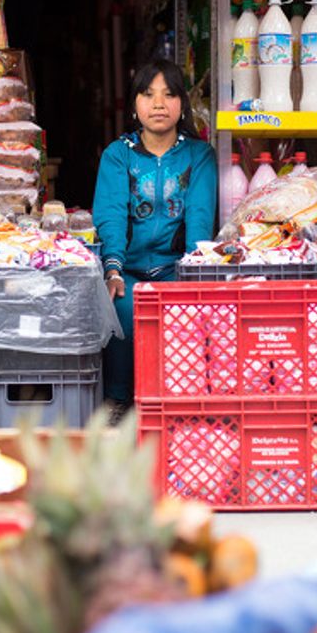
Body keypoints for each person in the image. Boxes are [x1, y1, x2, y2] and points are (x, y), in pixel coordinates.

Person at [93, 59, 217, 416]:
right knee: (122, 310)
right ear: (135, 103)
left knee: (185, 315)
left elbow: (199, 217)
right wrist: (113, 269)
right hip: (128, 269)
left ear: (182, 104)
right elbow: (112, 214)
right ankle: (119, 401)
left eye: (169, 94)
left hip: (175, 269)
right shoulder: (118, 155)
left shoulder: (199, 155)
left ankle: (177, 402)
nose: (159, 104)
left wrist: (195, 274)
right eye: (148, 95)